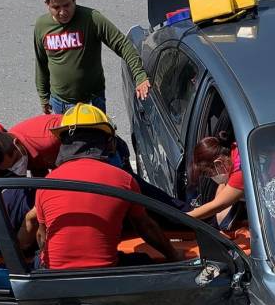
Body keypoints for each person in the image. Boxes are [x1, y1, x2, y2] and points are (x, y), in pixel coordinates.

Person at [17, 104, 180, 268]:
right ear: (108, 142)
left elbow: (42, 236)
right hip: (103, 275)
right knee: (143, 260)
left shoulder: (47, 184)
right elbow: (146, 227)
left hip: (55, 277)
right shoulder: (122, 179)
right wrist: (174, 256)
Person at [34, 0, 151, 114]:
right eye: (56, 7)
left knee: (96, 137)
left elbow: (123, 44)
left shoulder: (91, 19)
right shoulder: (41, 26)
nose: (63, 12)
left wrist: (140, 76)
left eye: (66, 5)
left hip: (91, 102)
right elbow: (41, 63)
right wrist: (44, 98)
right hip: (59, 104)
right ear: (47, 4)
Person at [187, 132, 246, 230]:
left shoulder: (241, 172)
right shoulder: (235, 149)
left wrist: (182, 217)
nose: (211, 177)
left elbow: (217, 205)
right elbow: (224, 188)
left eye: (209, 174)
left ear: (218, 163)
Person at [0, 114, 63, 178]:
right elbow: (38, 167)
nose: (16, 168)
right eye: (10, 168)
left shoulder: (51, 136)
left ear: (17, 144)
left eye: (15, 161)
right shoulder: (19, 152)